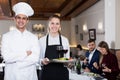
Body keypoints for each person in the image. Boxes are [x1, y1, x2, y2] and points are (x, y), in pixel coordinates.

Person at [1, 2, 40, 80]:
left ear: (27, 20)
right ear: (15, 19)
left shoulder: (33, 38)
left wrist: (16, 61)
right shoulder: (6, 37)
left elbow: (35, 58)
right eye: (18, 17)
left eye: (24, 18)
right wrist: (25, 53)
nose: (21, 20)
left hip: (29, 76)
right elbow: (7, 57)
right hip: (11, 76)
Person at [39, 15, 70, 80]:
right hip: (47, 74)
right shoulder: (41, 40)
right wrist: (42, 61)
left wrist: (68, 63)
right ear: (49, 24)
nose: (54, 26)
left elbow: (67, 59)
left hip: (62, 74)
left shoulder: (65, 40)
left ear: (60, 26)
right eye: (52, 23)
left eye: (57, 23)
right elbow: (39, 59)